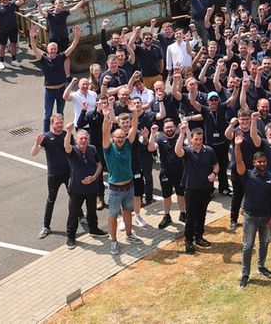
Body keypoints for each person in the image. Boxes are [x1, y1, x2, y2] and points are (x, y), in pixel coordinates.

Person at [233, 132, 271, 288]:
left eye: (264, 161)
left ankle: (261, 266)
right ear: (253, 162)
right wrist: (237, 145)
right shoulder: (246, 175)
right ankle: (245, 274)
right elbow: (238, 162)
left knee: (264, 244)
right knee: (247, 246)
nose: (262, 164)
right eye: (259, 162)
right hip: (250, 217)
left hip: (266, 217)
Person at [101, 98, 142, 256]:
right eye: (117, 137)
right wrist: (106, 117)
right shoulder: (108, 148)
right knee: (112, 216)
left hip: (129, 187)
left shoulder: (128, 144)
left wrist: (134, 113)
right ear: (113, 138)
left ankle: (129, 234)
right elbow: (105, 132)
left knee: (127, 212)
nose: (120, 139)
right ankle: (114, 241)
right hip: (115, 189)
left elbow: (134, 127)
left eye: (122, 137)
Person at [174, 124, 219, 255]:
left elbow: (216, 165)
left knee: (202, 215)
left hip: (206, 189)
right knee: (191, 217)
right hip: (191, 189)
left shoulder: (209, 150)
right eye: (196, 139)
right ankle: (188, 241)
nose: (198, 142)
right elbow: (177, 151)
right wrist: (182, 134)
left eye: (200, 139)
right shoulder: (187, 151)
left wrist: (214, 174)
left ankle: (199, 237)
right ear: (191, 139)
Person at [29, 25, 82, 133]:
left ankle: (60, 133)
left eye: (55, 49)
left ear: (57, 50)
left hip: (61, 90)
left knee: (60, 114)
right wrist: (32, 38)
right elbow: (34, 49)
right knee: (47, 115)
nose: (53, 50)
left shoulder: (61, 56)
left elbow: (72, 46)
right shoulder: (43, 59)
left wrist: (77, 36)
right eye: (51, 49)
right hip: (49, 91)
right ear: (47, 50)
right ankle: (45, 135)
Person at [62, 123, 107, 248]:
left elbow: (99, 165)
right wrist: (69, 132)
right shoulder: (73, 151)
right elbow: (66, 146)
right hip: (76, 189)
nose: (83, 140)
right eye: (81, 138)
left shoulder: (92, 149)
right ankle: (71, 237)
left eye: (85, 138)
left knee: (92, 211)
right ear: (76, 140)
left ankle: (94, 229)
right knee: (73, 213)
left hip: (91, 188)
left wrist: (94, 177)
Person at [31, 112, 71, 239]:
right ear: (52, 124)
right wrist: (37, 144)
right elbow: (33, 153)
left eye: (61, 122)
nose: (60, 125)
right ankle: (46, 226)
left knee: (74, 196)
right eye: (57, 123)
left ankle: (81, 216)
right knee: (51, 200)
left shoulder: (66, 134)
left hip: (68, 172)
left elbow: (72, 150)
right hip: (54, 175)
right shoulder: (47, 137)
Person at [148, 118, 186, 229]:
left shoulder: (180, 136)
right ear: (163, 129)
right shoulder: (159, 138)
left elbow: (190, 142)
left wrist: (186, 130)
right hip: (165, 172)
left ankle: (183, 213)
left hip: (180, 171)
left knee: (181, 194)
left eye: (171, 126)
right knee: (166, 196)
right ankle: (167, 216)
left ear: (175, 127)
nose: (169, 129)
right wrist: (152, 133)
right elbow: (150, 148)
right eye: (166, 127)